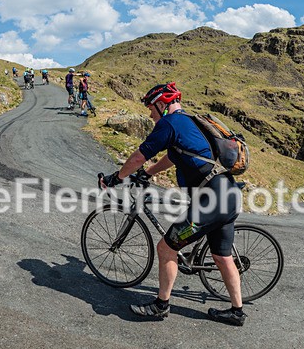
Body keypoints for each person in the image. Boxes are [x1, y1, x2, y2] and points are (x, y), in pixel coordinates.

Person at [99, 82, 246, 326]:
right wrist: (148, 173)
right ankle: (237, 312)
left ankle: (161, 305)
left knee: (166, 248)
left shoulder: (169, 124)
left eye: (151, 108)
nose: (150, 114)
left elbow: (138, 156)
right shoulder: (187, 122)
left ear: (161, 104)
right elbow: (172, 157)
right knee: (222, 256)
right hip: (228, 197)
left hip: (211, 202)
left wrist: (117, 178)